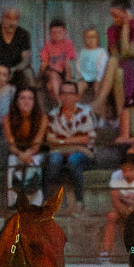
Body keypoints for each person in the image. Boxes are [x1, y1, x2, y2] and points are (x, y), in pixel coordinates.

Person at [45, 80, 96, 213]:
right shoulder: (53, 115)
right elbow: (50, 140)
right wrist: (75, 144)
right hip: (61, 151)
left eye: (70, 93)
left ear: (77, 96)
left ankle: (79, 201)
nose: (67, 96)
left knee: (74, 161)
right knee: (53, 161)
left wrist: (63, 140)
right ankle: (51, 200)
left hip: (84, 152)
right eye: (63, 93)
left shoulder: (85, 112)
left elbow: (87, 139)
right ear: (59, 96)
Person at [4, 87, 46, 207]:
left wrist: (28, 154)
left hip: (34, 153)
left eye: (30, 98)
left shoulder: (42, 118)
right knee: (11, 161)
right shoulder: (8, 118)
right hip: (16, 153)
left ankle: (35, 203)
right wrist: (20, 154)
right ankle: (13, 202)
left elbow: (37, 142)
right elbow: (10, 143)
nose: (26, 101)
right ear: (17, 101)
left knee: (36, 163)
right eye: (22, 98)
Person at [100, 152, 134, 260]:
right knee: (111, 217)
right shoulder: (116, 176)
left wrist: (133, 211)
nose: (126, 174)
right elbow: (115, 198)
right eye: (124, 170)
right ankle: (106, 252)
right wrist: (126, 212)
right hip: (122, 207)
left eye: (130, 170)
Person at [0, 7, 34, 89]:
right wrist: (1, 70)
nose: (11, 22)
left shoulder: (23, 34)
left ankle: (32, 100)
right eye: (8, 18)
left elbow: (26, 59)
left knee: (28, 74)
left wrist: (14, 69)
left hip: (16, 70)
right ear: (2, 19)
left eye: (15, 19)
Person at [76, 26, 112, 118]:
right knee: (78, 87)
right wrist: (80, 75)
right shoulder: (83, 51)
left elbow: (103, 66)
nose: (91, 40)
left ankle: (101, 117)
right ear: (84, 39)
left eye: (93, 37)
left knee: (98, 88)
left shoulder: (101, 51)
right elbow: (79, 64)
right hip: (85, 77)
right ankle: (76, 111)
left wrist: (99, 78)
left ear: (97, 38)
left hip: (98, 77)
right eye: (88, 37)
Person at [40, 17, 76, 107]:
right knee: (52, 76)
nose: (56, 35)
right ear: (50, 33)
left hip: (64, 73)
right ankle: (60, 105)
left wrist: (67, 81)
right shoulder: (48, 46)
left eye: (59, 32)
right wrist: (45, 78)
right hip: (51, 73)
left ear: (65, 32)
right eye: (53, 32)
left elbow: (69, 62)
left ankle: (60, 104)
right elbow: (44, 64)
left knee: (67, 64)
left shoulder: (68, 44)